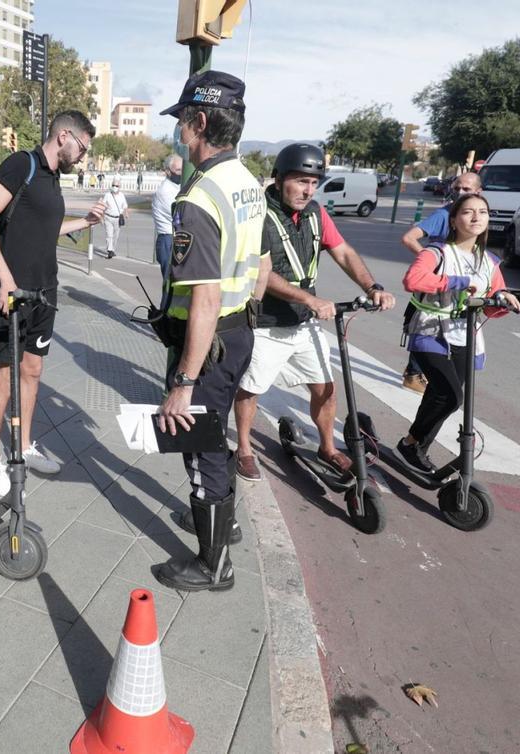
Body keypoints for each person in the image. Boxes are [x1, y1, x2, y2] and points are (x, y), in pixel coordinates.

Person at [152, 71, 270, 592]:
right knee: (214, 435)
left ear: (199, 122)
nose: (178, 128)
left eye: (181, 119)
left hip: (210, 341)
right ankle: (226, 525)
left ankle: (213, 564)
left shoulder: (199, 197)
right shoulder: (247, 182)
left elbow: (203, 298)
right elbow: (262, 265)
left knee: (199, 444)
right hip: (240, 330)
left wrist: (183, 381)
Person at [230, 143, 395, 487]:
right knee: (251, 388)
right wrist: (309, 298)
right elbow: (261, 273)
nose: (307, 190)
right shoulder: (258, 214)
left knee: (326, 388)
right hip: (267, 323)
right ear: (278, 178)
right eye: (300, 181)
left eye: (313, 182)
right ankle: (244, 447)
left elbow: (344, 253)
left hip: (304, 324)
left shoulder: (316, 214)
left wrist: (372, 286)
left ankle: (327, 447)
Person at [0, 111, 106, 500]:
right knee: (6, 374)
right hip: (14, 292)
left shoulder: (53, 179)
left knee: (32, 369)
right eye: (82, 147)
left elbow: (45, 229)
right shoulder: (21, 165)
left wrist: (84, 222)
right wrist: (6, 278)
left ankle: (25, 446)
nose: (83, 155)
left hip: (46, 291)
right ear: (64, 136)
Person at [396, 193, 520, 473]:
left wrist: (504, 301)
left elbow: (490, 303)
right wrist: (457, 281)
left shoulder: (490, 261)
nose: (476, 217)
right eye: (468, 212)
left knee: (440, 396)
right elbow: (413, 280)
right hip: (429, 330)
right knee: (451, 396)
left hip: (466, 335)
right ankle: (411, 443)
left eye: (483, 212)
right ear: (453, 220)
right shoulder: (437, 252)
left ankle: (415, 447)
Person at [398, 171, 483, 393]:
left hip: (460, 291)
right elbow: (409, 238)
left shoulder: (476, 218)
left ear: (478, 192)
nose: (460, 193)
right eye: (457, 188)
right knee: (429, 328)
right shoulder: (444, 215)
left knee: (451, 331)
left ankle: (429, 376)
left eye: (466, 189)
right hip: (438, 288)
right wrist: (432, 263)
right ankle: (414, 374)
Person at [151, 154, 183, 276]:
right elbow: (179, 215)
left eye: (182, 169)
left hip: (175, 237)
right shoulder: (165, 191)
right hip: (168, 239)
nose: (181, 173)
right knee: (170, 282)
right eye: (178, 170)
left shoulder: (177, 186)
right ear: (168, 172)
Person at [100, 182, 128, 259]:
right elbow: (103, 205)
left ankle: (112, 249)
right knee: (109, 235)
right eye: (113, 185)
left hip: (117, 218)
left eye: (116, 185)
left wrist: (126, 213)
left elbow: (125, 205)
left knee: (116, 236)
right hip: (108, 217)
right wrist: (101, 217)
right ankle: (110, 251)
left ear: (119, 187)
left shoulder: (121, 195)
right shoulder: (107, 195)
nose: (114, 187)